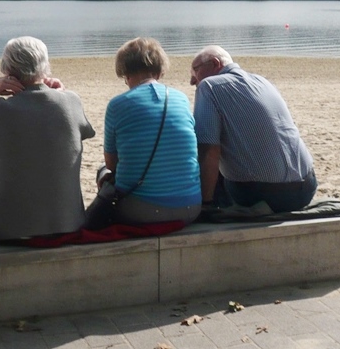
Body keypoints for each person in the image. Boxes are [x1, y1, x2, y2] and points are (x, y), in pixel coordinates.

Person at [0, 36, 95, 241]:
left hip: (6, 232)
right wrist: (61, 95)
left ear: (7, 70)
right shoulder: (72, 102)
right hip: (66, 226)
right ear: (45, 67)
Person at [85, 37, 201, 228]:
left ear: (126, 72)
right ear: (159, 70)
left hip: (142, 212)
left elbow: (112, 163)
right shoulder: (180, 98)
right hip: (190, 208)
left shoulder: (118, 105)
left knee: (102, 170)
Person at [190, 45, 317, 213]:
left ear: (215, 63)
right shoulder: (262, 81)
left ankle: (214, 212)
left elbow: (208, 150)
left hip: (265, 194)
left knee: (206, 156)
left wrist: (204, 204)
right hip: (307, 187)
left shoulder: (209, 86)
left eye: (195, 71)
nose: (192, 81)